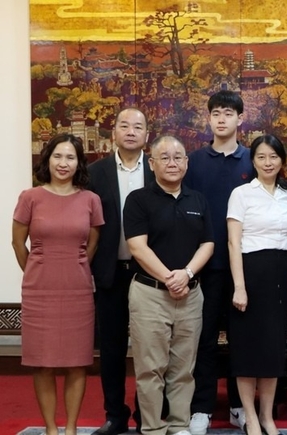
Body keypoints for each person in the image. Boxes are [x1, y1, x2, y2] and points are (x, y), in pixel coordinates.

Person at [11, 134, 104, 435]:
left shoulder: (90, 200)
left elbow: (91, 245)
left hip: (77, 290)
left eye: (70, 158)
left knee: (78, 362)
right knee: (44, 363)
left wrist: (74, 267)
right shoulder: (30, 197)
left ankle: (72, 428)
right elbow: (17, 243)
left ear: (79, 163)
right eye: (58, 156)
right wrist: (39, 270)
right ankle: (52, 428)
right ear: (47, 159)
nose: (63, 163)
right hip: (40, 291)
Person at [124, 135, 214, 435]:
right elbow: (138, 247)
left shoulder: (198, 200)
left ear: (187, 163)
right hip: (150, 294)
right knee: (151, 369)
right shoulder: (138, 200)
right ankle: (152, 428)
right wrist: (170, 278)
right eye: (165, 157)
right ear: (152, 163)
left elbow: (208, 244)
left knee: (183, 369)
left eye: (178, 157)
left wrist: (186, 274)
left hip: (190, 295)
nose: (172, 163)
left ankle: (179, 426)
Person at [184, 90, 252, 435]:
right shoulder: (193, 162)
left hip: (245, 267)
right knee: (205, 337)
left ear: (241, 119)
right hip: (206, 266)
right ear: (208, 119)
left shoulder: (253, 160)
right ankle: (202, 407)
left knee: (242, 338)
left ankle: (241, 405)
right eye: (216, 113)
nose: (222, 119)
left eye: (228, 113)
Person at [227, 135, 287, 435]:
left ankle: (268, 416)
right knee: (247, 350)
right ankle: (251, 417)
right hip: (249, 272)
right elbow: (234, 242)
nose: (268, 162)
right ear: (253, 161)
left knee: (273, 351)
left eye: (273, 157)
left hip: (280, 276)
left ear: (282, 160)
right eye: (261, 157)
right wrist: (239, 286)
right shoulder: (241, 194)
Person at [88, 108, 155, 435]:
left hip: (149, 276)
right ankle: (115, 414)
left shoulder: (157, 171)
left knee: (150, 350)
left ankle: (148, 416)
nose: (131, 131)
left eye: (138, 126)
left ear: (147, 134)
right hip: (110, 274)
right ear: (113, 131)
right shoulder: (94, 173)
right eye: (124, 125)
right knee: (112, 349)